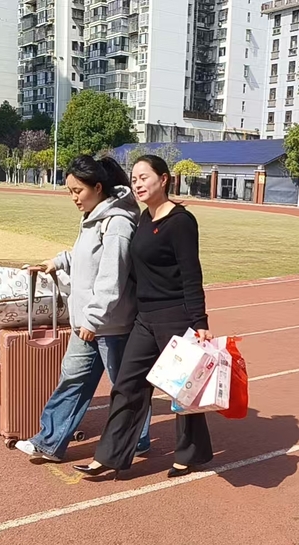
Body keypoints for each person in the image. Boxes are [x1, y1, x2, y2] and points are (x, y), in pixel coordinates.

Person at [73, 154, 216, 479]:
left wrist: (200, 322)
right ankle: (108, 456)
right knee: (127, 384)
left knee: (183, 390)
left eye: (144, 177)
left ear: (163, 179)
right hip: (145, 318)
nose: (137, 184)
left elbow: (191, 275)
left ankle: (190, 453)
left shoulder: (181, 222)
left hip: (175, 317)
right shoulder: (142, 220)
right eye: (134, 178)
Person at [14, 154, 152, 462]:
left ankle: (139, 439)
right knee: (73, 379)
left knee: (125, 387)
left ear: (98, 187)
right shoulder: (94, 217)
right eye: (70, 192)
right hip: (87, 323)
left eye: (78, 191)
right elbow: (86, 257)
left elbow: (111, 276)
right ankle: (49, 442)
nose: (74, 198)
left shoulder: (117, 223)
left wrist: (93, 319)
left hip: (110, 325)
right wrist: (58, 261)